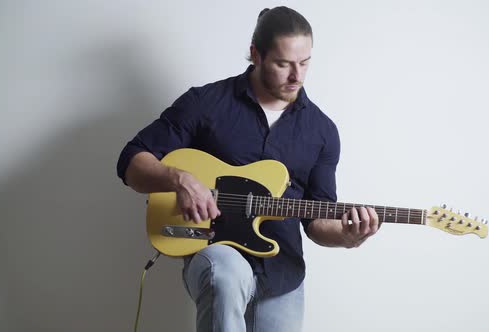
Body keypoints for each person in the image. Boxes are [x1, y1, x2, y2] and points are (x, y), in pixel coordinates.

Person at [117, 6, 380, 332]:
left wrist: (348, 237)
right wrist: (179, 179)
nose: (296, 76)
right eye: (283, 64)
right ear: (255, 54)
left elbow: (316, 221)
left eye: (305, 63)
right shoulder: (206, 103)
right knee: (226, 272)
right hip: (214, 251)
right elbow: (132, 160)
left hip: (282, 270)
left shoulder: (322, 131)